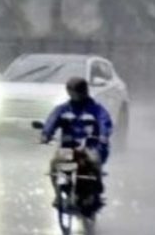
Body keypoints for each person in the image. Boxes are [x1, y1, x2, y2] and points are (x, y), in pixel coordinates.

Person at [40, 77, 113, 211]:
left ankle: (96, 192)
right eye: (73, 91)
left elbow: (105, 123)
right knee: (55, 165)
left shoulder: (96, 109)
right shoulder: (63, 109)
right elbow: (52, 121)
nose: (76, 94)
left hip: (91, 147)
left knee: (94, 162)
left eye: (79, 91)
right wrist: (46, 134)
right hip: (68, 148)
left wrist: (103, 136)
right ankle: (58, 194)